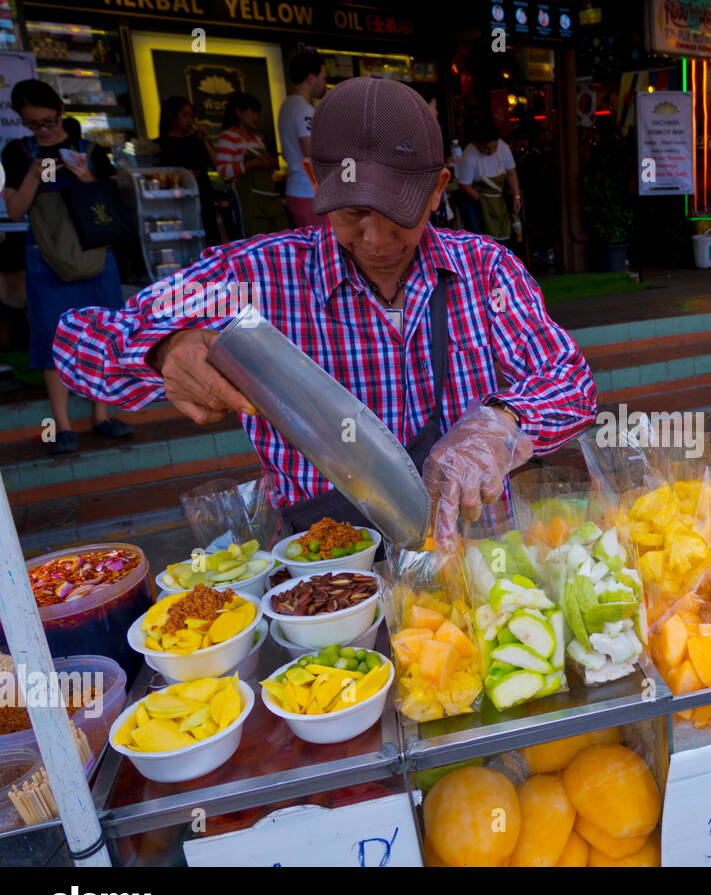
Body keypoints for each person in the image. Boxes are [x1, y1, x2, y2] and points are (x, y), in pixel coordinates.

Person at [55, 77, 594, 547]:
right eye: (354, 213)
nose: (377, 239)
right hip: (332, 577)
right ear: (315, 181)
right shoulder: (249, 278)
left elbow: (570, 381)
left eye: (398, 215)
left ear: (437, 190)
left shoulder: (487, 271)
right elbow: (78, 344)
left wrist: (502, 420)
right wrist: (163, 349)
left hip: (481, 554)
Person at [1, 79, 132, 454]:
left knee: (102, 333)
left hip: (94, 254)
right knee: (51, 338)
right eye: (33, 124)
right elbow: (14, 210)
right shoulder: (17, 152)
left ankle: (102, 414)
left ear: (60, 111)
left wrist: (85, 177)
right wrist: (32, 175)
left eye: (47, 121)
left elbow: (112, 200)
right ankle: (61, 425)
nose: (43, 129)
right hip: (45, 258)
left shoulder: (88, 150)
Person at [215, 91, 289, 237]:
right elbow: (224, 172)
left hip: (270, 200)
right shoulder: (228, 137)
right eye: (252, 112)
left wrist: (271, 162)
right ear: (238, 112)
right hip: (249, 204)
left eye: (257, 113)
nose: (256, 117)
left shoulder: (257, 138)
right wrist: (253, 163)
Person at [155, 95, 221, 245]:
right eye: (184, 115)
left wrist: (204, 140)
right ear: (172, 117)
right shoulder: (160, 145)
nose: (189, 120)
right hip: (178, 200)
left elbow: (217, 165)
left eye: (192, 116)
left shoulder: (197, 141)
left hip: (204, 197)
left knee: (211, 238)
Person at [278, 50, 328, 228]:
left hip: (296, 189)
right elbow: (312, 152)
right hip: (308, 192)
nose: (325, 84)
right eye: (323, 78)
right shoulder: (303, 110)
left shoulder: (286, 106)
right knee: (320, 246)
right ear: (310, 78)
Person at [454, 118, 521, 241]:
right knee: (479, 236)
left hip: (497, 196)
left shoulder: (503, 148)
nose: (491, 152)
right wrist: (486, 203)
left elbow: (511, 173)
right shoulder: (469, 154)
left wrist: (516, 196)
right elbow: (465, 186)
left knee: (506, 232)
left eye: (494, 147)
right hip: (475, 198)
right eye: (486, 148)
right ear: (477, 144)